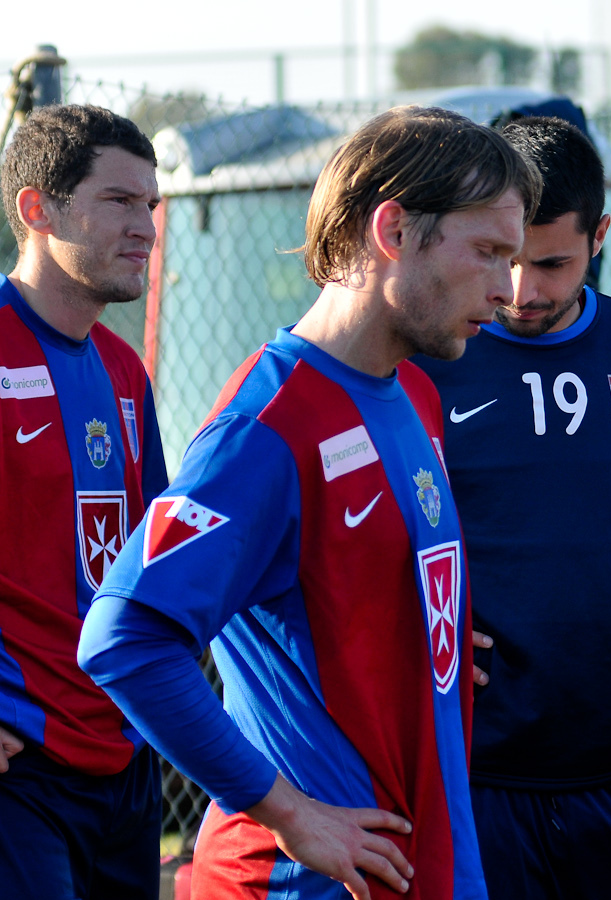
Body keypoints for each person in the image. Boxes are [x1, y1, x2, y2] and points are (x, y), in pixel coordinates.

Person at [79, 106, 538, 900]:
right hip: (303, 880)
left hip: (421, 866)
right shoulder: (269, 426)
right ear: (394, 230)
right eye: (489, 253)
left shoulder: (416, 395)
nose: (507, 289)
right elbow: (124, 639)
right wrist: (290, 814)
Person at [411, 116, 611, 900]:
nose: (523, 291)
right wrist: (404, 621)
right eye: (504, 259)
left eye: (551, 264)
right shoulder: (423, 360)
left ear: (601, 237)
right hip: (475, 777)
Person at [0, 104, 168, 900]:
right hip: (21, 761)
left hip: (124, 749)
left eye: (151, 205)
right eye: (120, 201)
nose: (146, 228)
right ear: (38, 209)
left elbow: (160, 554)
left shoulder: (124, 368)